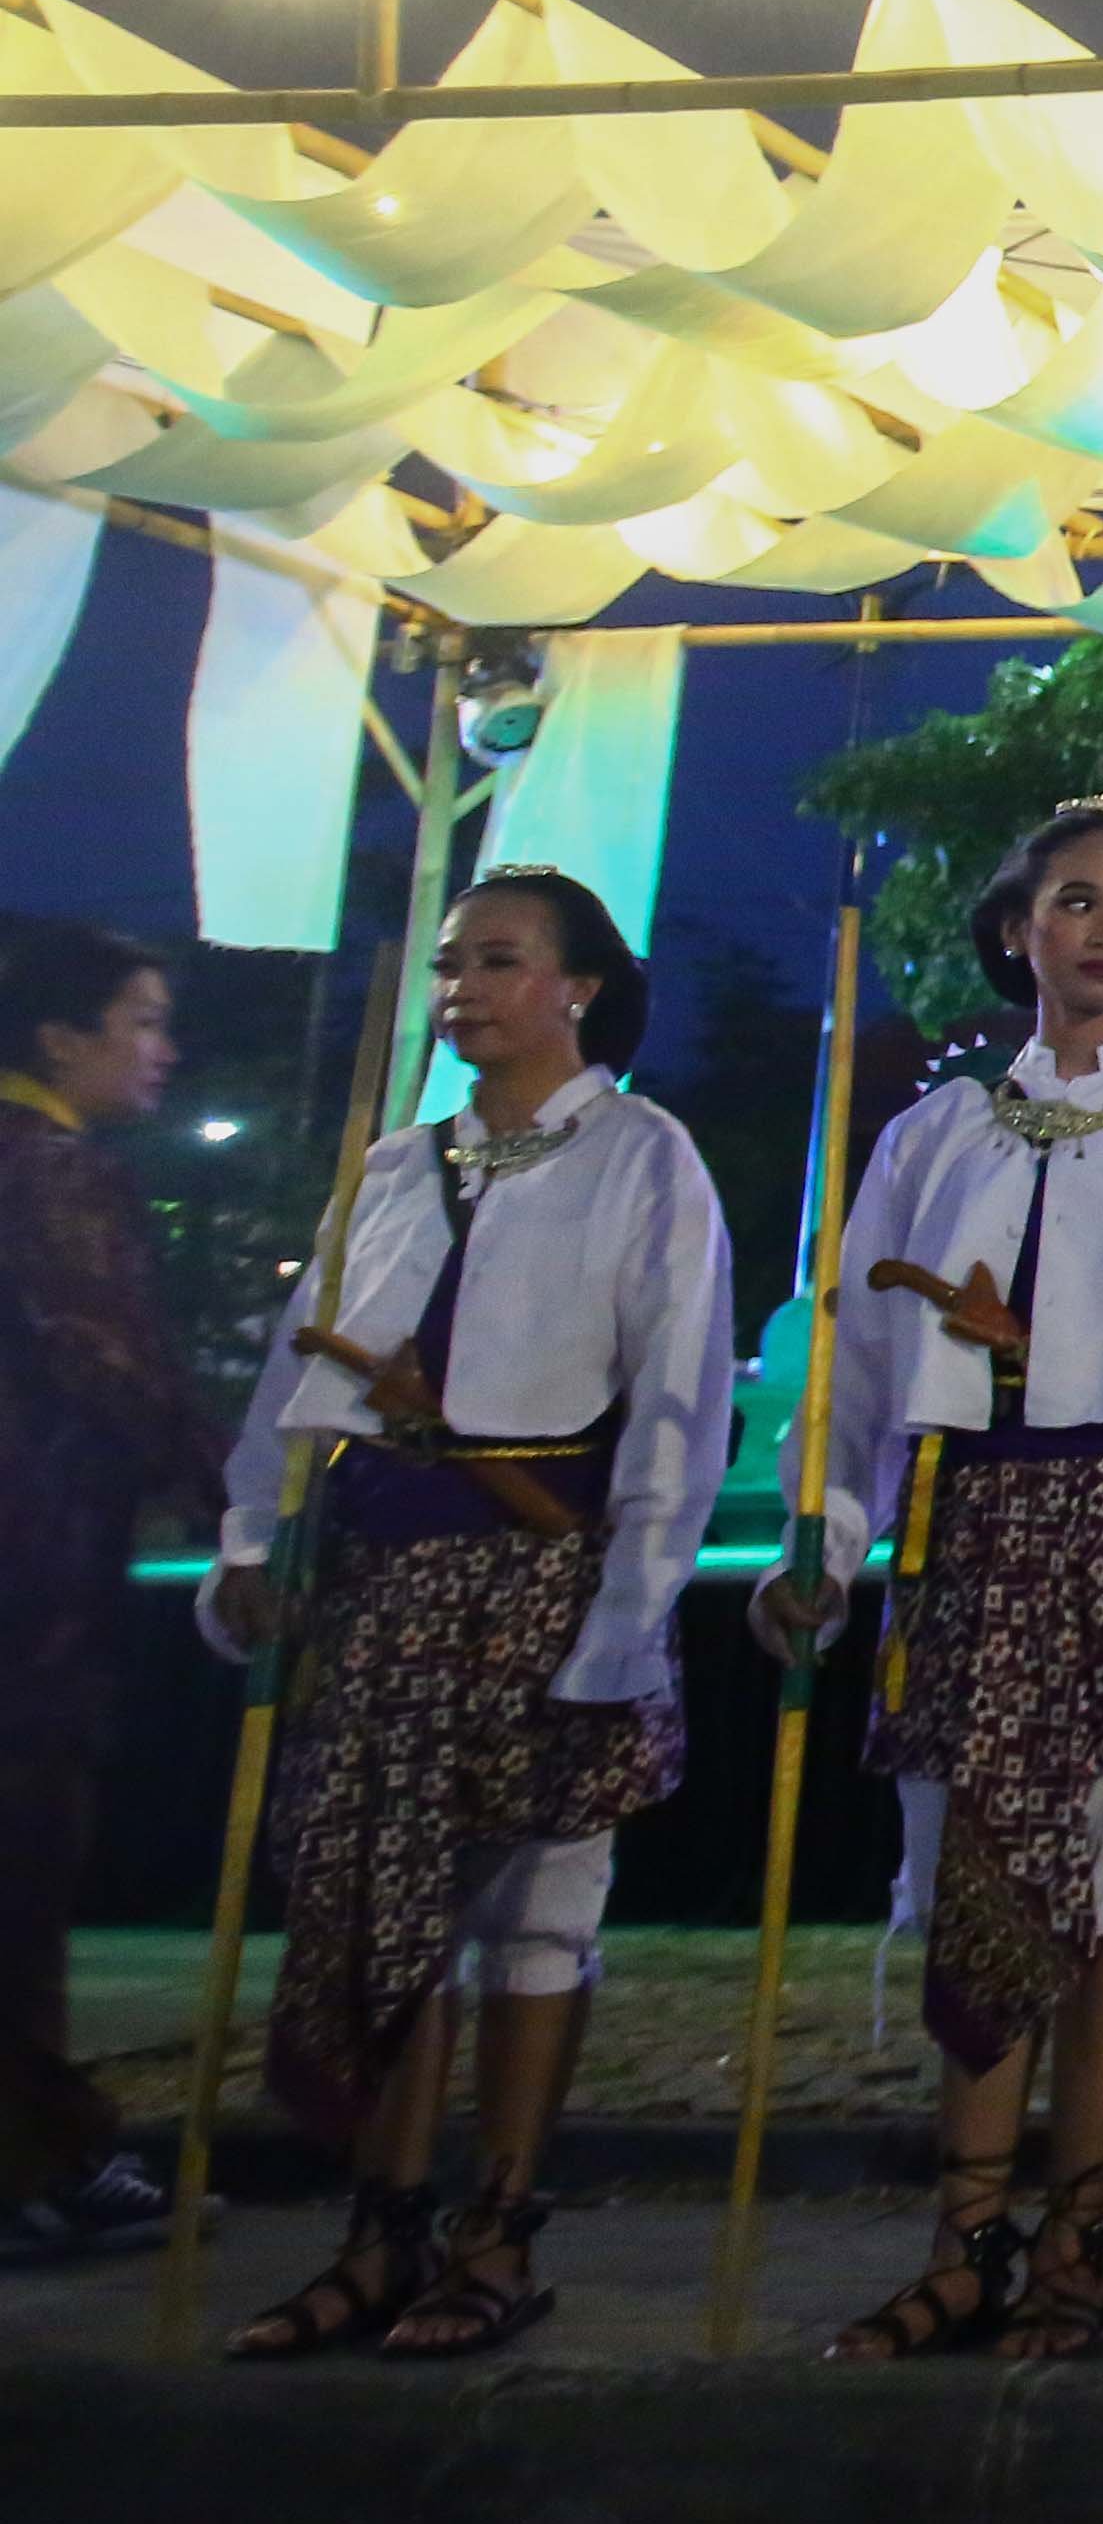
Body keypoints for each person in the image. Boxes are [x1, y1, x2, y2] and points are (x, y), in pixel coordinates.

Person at [765, 802, 1103, 2360]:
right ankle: (962, 2239)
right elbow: (861, 1383)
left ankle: (1076, 2243)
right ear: (1018, 928)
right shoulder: (931, 1138)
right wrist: (821, 1545)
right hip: (963, 1536)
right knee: (969, 1892)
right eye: (1073, 900)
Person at [207, 871, 732, 2356]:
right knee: (384, 1908)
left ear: (576, 987)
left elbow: (678, 1402)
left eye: (499, 960)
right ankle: (381, 2228)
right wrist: (258, 1526)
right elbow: (298, 1361)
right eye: (450, 964)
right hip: (380, 1584)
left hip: (541, 1574)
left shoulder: (643, 1159)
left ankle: (498, 2227)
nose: (462, 989)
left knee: (536, 1909)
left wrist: (630, 1609)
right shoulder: (388, 1168)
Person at [0, 926, 217, 2265]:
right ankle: (38, 2156)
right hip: (32, 1584)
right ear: (57, 1037)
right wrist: (225, 1485)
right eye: (140, 1020)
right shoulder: (53, 1170)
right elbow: (105, 1352)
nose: (163, 1047)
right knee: (20, 1866)